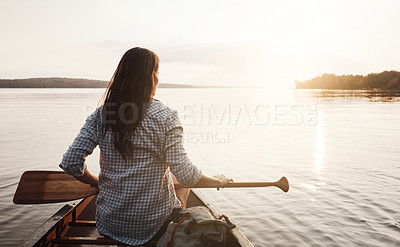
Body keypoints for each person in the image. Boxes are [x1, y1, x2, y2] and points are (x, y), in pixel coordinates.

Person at [59, 47, 232, 246]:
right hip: (154, 225)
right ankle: (173, 234)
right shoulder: (166, 116)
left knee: (174, 176)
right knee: (179, 180)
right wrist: (217, 180)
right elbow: (187, 175)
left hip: (110, 225)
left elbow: (71, 163)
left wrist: (95, 181)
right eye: (157, 73)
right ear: (151, 77)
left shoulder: (101, 115)